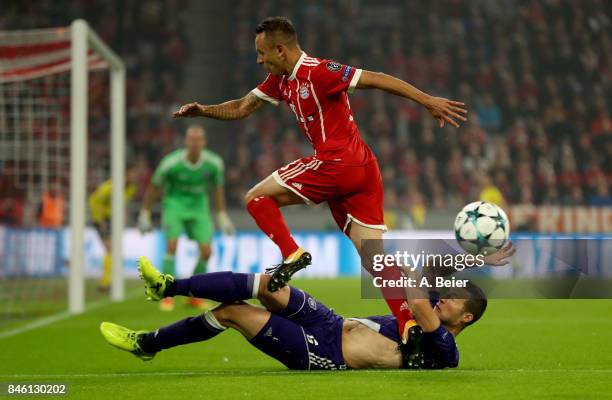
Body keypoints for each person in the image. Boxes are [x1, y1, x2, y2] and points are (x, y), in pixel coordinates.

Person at [173, 16, 468, 295]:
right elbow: (241, 107)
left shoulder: (320, 71)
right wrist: (203, 111)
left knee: (256, 198)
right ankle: (413, 322)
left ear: (280, 49)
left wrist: (427, 100)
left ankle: (292, 253)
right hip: (362, 167)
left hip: (337, 162)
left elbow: (375, 78)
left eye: (262, 53)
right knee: (375, 262)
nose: (259, 60)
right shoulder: (281, 80)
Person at [100, 243, 514, 370]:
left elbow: (418, 300)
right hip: (331, 323)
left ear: (467, 318)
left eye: (454, 299)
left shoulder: (445, 349)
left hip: (325, 353)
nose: (446, 298)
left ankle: (148, 342)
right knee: (267, 286)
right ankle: (168, 286)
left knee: (232, 312)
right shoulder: (426, 321)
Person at [138, 124, 235, 311]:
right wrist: (145, 212)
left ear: (204, 142)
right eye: (191, 139)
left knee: (207, 251)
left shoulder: (213, 163)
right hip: (175, 205)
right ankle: (167, 293)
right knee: (172, 245)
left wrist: (222, 215)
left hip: (199, 208)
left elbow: (217, 188)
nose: (195, 143)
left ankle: (194, 295)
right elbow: (154, 187)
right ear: (186, 142)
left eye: (198, 140)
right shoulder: (171, 163)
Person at [88, 164, 140, 292]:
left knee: (113, 250)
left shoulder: (131, 188)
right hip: (101, 218)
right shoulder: (109, 188)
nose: (134, 177)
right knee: (110, 249)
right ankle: (105, 283)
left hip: (112, 219)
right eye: (131, 174)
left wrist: (122, 215)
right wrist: (99, 220)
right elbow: (94, 201)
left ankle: (108, 281)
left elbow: (122, 203)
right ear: (124, 175)